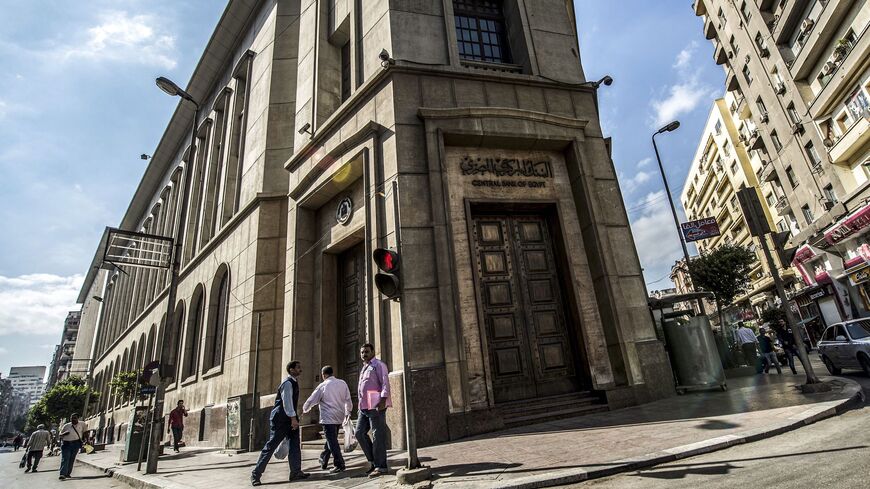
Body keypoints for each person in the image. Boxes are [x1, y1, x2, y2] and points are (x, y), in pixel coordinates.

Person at [251, 361, 308, 486]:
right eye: (298, 368)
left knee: (294, 446)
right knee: (271, 446)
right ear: (291, 370)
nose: (301, 370)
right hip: (281, 419)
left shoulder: (294, 382)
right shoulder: (287, 384)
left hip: (290, 418)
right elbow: (287, 402)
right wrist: (293, 418)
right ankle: (256, 474)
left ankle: (295, 472)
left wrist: (294, 418)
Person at [303, 365, 353, 474]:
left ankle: (339, 464)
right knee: (331, 440)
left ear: (323, 375)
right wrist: (348, 412)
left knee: (332, 441)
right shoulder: (342, 383)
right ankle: (323, 459)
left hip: (328, 418)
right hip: (339, 417)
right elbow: (348, 399)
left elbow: (312, 399)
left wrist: (305, 409)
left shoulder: (323, 385)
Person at [355, 343, 391, 478]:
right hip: (363, 407)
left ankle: (381, 466)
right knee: (359, 433)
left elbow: (385, 382)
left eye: (367, 352)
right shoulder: (364, 368)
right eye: (362, 352)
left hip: (375, 405)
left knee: (378, 436)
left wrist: (383, 400)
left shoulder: (378, 365)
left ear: (373, 352)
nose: (364, 354)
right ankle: (373, 461)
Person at [58, 413, 87, 480]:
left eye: (75, 418)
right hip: (66, 444)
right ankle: (62, 474)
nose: (73, 419)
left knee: (71, 459)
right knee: (65, 458)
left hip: (76, 444)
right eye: (71, 418)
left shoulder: (82, 424)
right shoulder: (66, 426)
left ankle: (68, 473)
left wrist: (87, 440)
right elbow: (60, 435)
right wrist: (64, 433)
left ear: (78, 418)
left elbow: (85, 432)